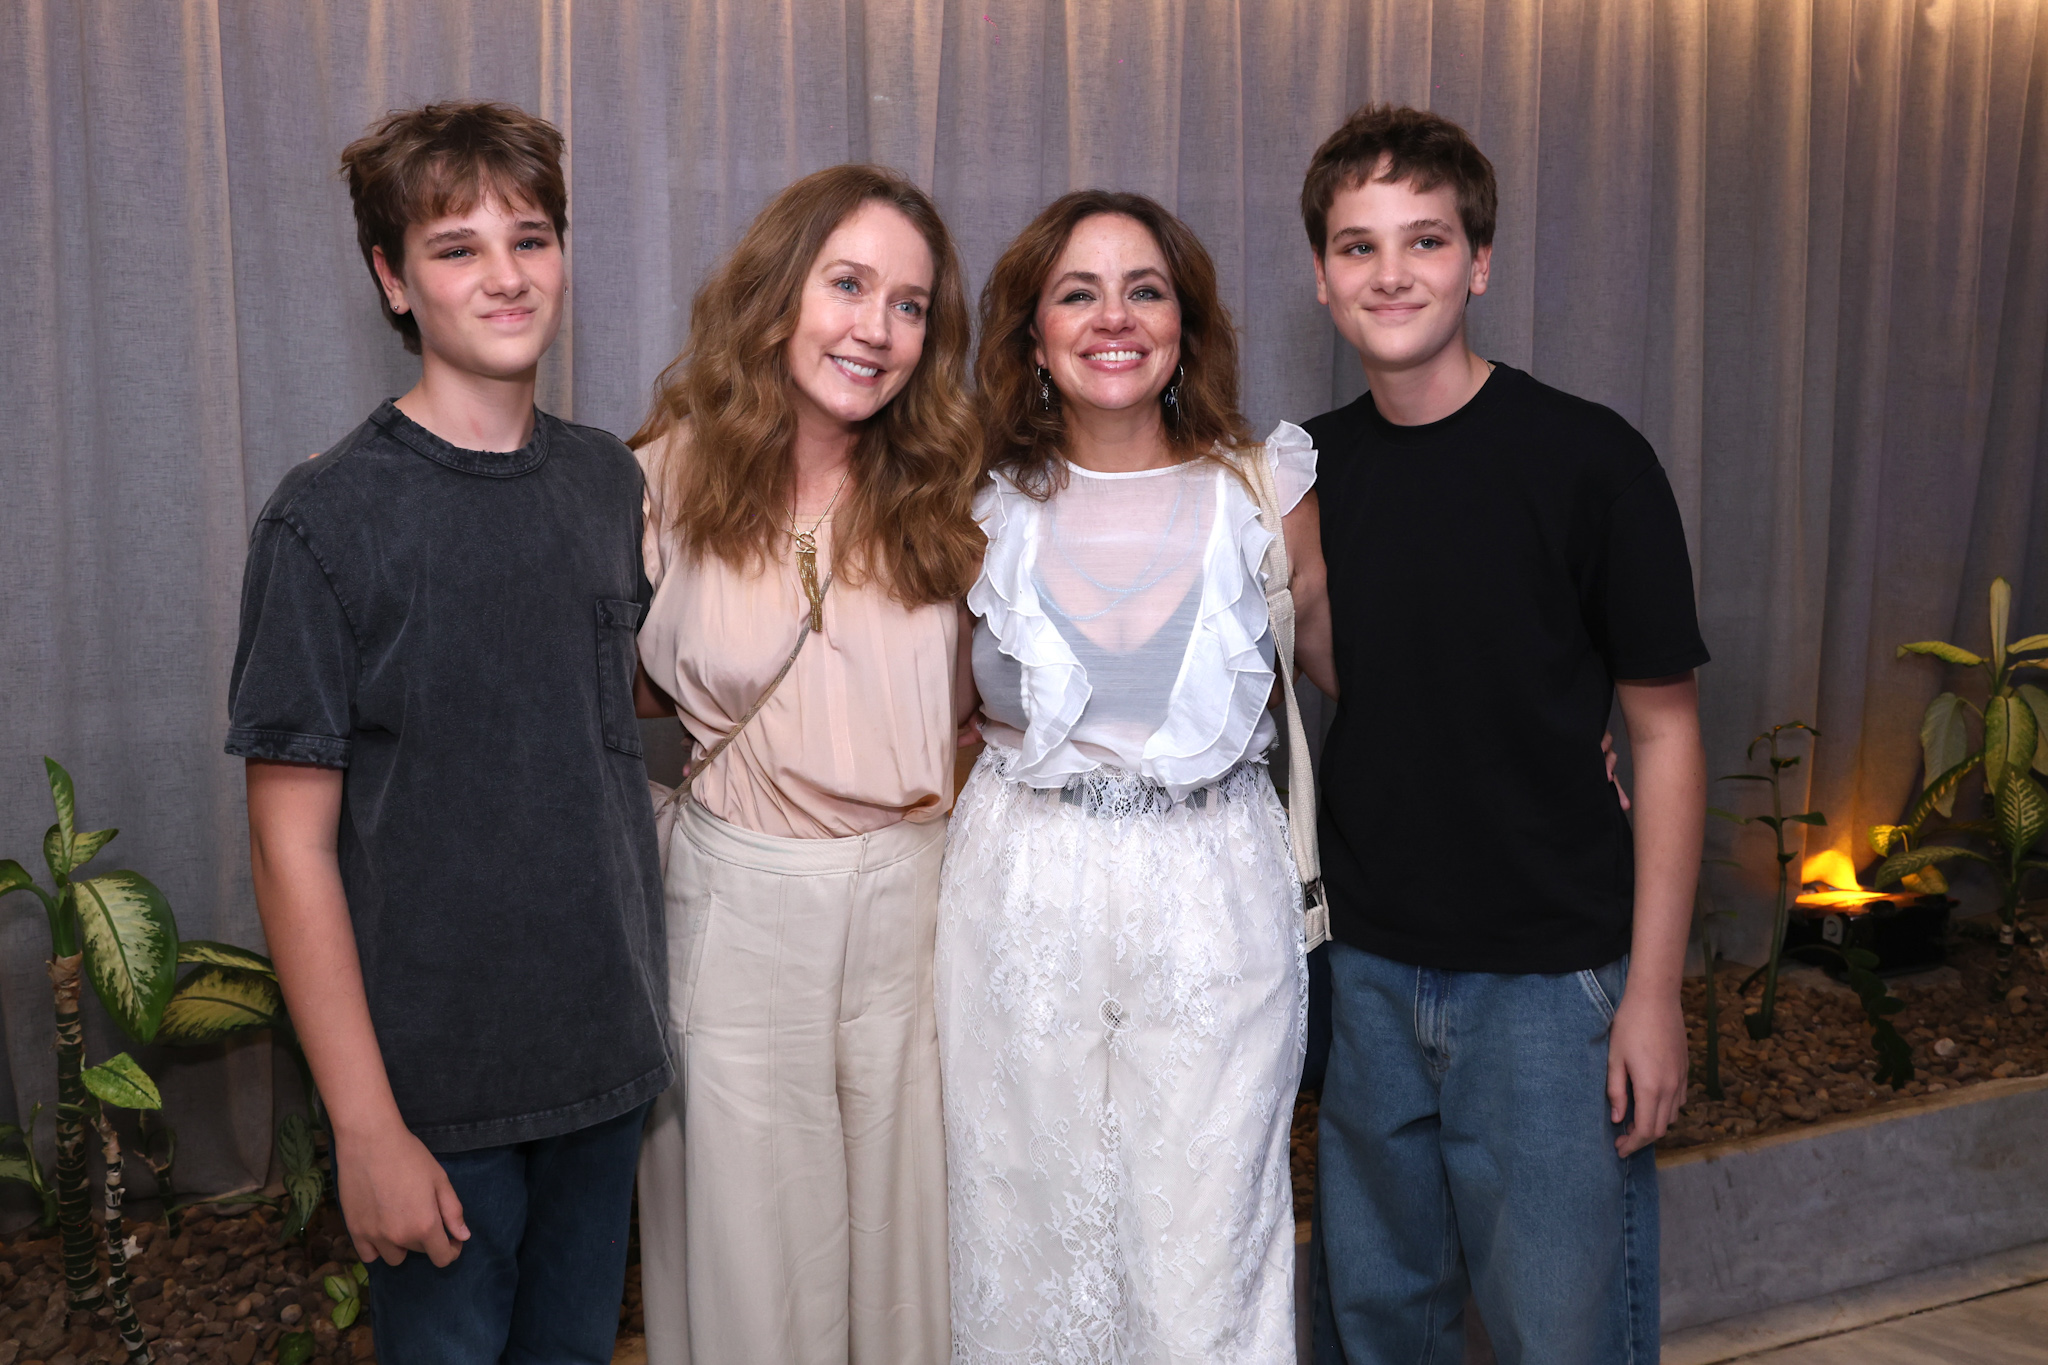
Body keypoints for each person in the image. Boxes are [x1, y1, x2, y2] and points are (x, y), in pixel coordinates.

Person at [226, 102, 670, 1364]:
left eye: (530, 239)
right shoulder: (325, 519)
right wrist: (365, 1126)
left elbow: (596, 707)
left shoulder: (607, 481)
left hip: (601, 1064)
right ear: (392, 279)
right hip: (432, 1100)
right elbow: (288, 848)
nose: (505, 275)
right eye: (456, 248)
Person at [1297, 104, 1709, 1364]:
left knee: (1561, 1334)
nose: (1390, 273)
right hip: (1366, 973)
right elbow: (1333, 673)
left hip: (1548, 985)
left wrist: (1651, 994)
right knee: (1376, 1324)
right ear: (1320, 278)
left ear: (1477, 262)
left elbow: (1665, 739)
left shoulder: (1588, 461)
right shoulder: (1301, 477)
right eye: (1357, 246)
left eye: (1424, 240)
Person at [939, 190, 1333, 1364]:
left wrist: (1560, 729)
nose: (1113, 317)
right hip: (1018, 905)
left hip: (1218, 905)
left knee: (1208, 1252)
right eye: (1077, 293)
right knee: (1024, 1239)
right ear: (1032, 336)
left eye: (1143, 290)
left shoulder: (1267, 493)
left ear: (1183, 324)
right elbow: (922, 714)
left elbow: (1357, 674)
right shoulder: (967, 505)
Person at [627, 163, 982, 1365]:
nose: (875, 328)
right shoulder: (662, 479)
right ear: (779, 294)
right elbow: (602, 688)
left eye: (908, 305)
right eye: (847, 285)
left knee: (913, 1257)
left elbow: (1002, 705)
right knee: (753, 1270)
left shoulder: (952, 492)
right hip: (738, 910)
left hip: (915, 912)